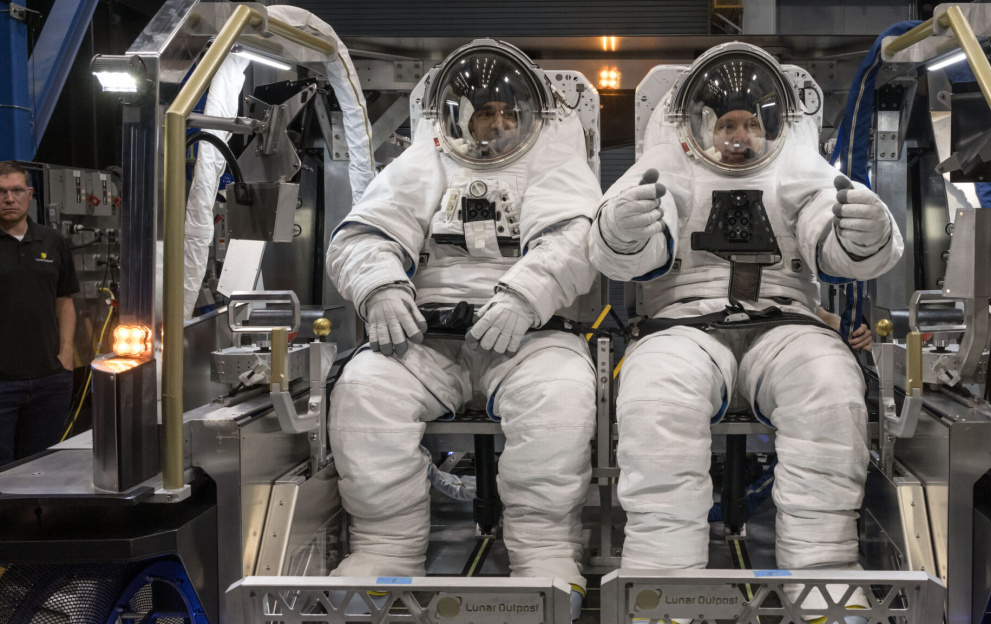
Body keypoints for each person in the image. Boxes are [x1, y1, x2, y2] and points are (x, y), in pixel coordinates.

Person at [589, 44, 902, 619]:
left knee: (830, 387)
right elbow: (618, 254)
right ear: (701, 127)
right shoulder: (669, 165)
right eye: (726, 123)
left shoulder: (798, 168)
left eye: (750, 123)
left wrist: (864, 236)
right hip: (683, 323)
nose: (738, 135)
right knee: (655, 394)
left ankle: (823, 574)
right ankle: (663, 579)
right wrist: (624, 228)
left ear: (773, 127)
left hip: (784, 322)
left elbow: (824, 233)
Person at [325, 40, 599, 616]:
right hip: (430, 337)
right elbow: (364, 235)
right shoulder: (426, 159)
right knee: (365, 389)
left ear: (527, 115)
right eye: (484, 112)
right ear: (459, 116)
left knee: (561, 397)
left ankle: (546, 551)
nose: (496, 125)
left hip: (531, 337)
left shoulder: (554, 159)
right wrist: (379, 286)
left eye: (507, 113)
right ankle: (385, 549)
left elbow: (575, 238)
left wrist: (526, 294)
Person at [0, 161, 78, 466]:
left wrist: (67, 352)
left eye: (17, 190)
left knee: (41, 468)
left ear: (30, 193)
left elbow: (65, 301)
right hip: (2, 382)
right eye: (2, 192)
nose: (9, 198)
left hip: (50, 380)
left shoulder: (53, 241)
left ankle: (38, 516)